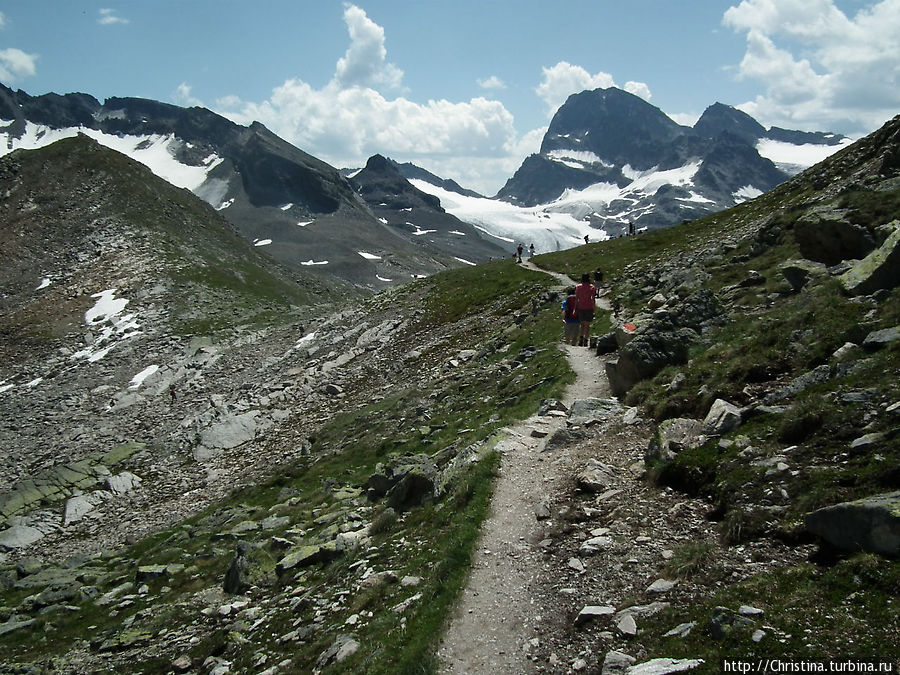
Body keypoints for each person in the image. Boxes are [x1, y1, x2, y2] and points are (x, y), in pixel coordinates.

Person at [575, 272, 596, 347]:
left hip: (580, 307)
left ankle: (581, 339)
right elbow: (593, 299)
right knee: (587, 325)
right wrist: (594, 308)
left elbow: (577, 298)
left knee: (582, 324)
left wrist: (575, 308)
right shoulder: (592, 287)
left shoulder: (578, 287)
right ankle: (586, 340)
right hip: (589, 307)